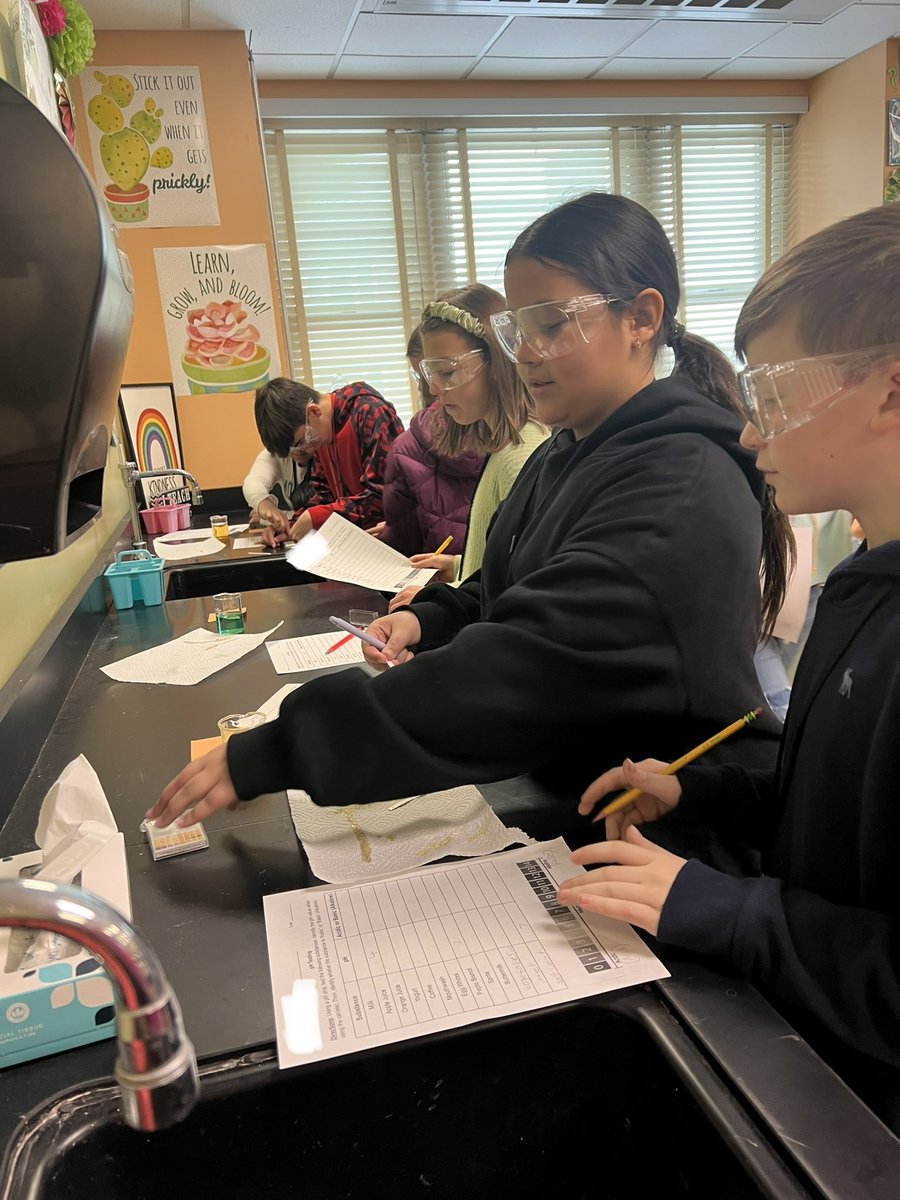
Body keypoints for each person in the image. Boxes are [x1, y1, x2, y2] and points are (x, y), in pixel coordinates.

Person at [149, 192, 789, 869]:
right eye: (518, 330)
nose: (527, 354)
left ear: (641, 317)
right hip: (574, 800)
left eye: (552, 324)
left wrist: (281, 748)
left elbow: (520, 670)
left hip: (666, 843)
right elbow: (513, 584)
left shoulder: (675, 485)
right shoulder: (570, 450)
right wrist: (432, 617)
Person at [561, 204, 900, 1132]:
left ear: (891, 391)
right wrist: (701, 797)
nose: (752, 435)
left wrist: (728, 911)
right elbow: (837, 828)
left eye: (776, 395)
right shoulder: (862, 587)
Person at [388, 284, 549, 601]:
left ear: (498, 364)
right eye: (430, 373)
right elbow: (500, 563)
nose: (435, 389)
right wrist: (458, 566)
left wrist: (438, 603)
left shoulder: (523, 457)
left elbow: (520, 594)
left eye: (447, 372)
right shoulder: (503, 445)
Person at [375, 327, 486, 558]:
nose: (428, 386)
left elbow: (402, 546)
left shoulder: (405, 449)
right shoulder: (521, 434)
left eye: (444, 372)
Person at [254, 376, 404, 545]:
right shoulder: (322, 433)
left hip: (392, 544)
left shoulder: (370, 413)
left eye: (301, 441)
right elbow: (325, 495)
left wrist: (316, 517)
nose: (305, 451)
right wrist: (289, 525)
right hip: (357, 544)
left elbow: (383, 497)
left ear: (314, 412)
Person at [241, 436, 314, 540]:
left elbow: (325, 512)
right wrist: (267, 507)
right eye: (289, 442)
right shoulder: (280, 453)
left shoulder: (328, 452)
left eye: (302, 439)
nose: (297, 448)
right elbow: (252, 484)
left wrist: (282, 518)